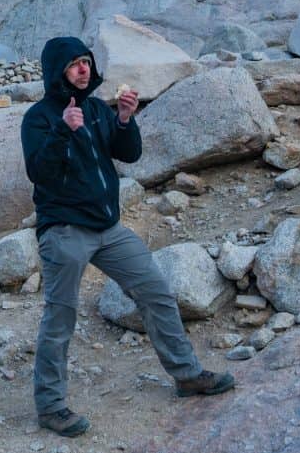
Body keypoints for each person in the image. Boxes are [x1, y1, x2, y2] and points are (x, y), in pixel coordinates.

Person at [20, 36, 235, 438]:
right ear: (57, 72)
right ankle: (50, 407)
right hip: (65, 230)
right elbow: (39, 172)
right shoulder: (39, 118)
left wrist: (123, 119)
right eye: (74, 64)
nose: (83, 69)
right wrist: (63, 131)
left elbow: (129, 154)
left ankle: (187, 375)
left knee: (156, 291)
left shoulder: (96, 109)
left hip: (108, 228)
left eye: (86, 62)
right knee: (60, 317)